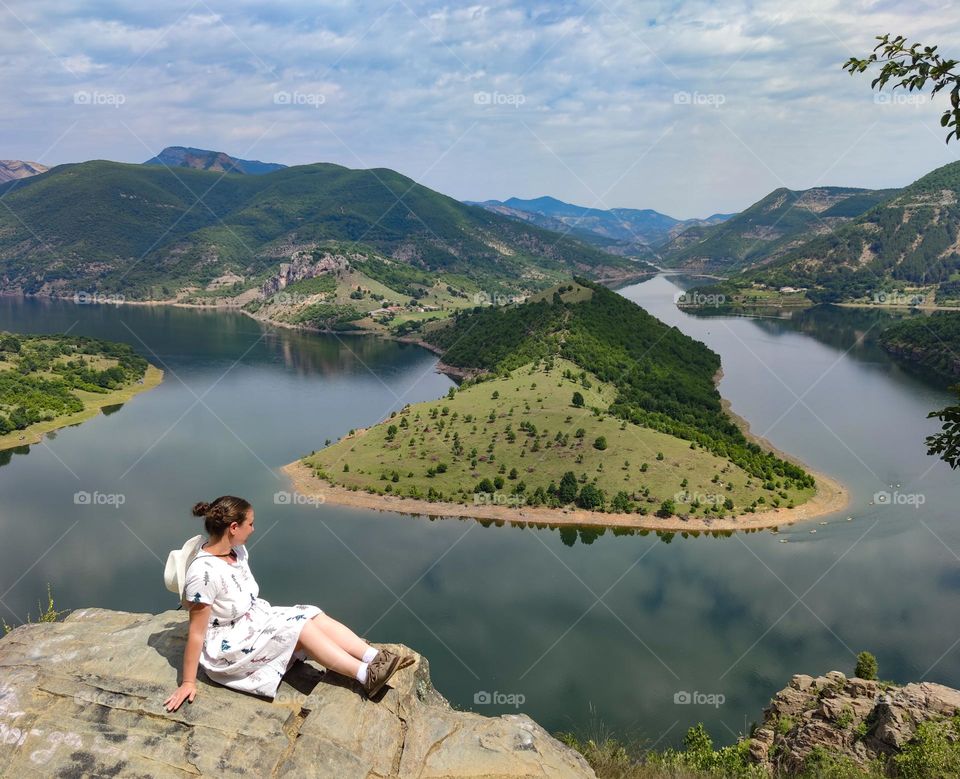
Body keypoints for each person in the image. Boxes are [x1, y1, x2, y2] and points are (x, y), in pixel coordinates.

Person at [164, 495, 408, 712]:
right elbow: (197, 634)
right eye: (250, 523)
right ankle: (366, 675)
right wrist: (188, 682)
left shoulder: (237, 551)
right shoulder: (203, 574)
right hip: (230, 645)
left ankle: (375, 658)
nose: (254, 529)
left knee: (310, 613)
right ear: (234, 527)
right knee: (300, 628)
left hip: (252, 620)